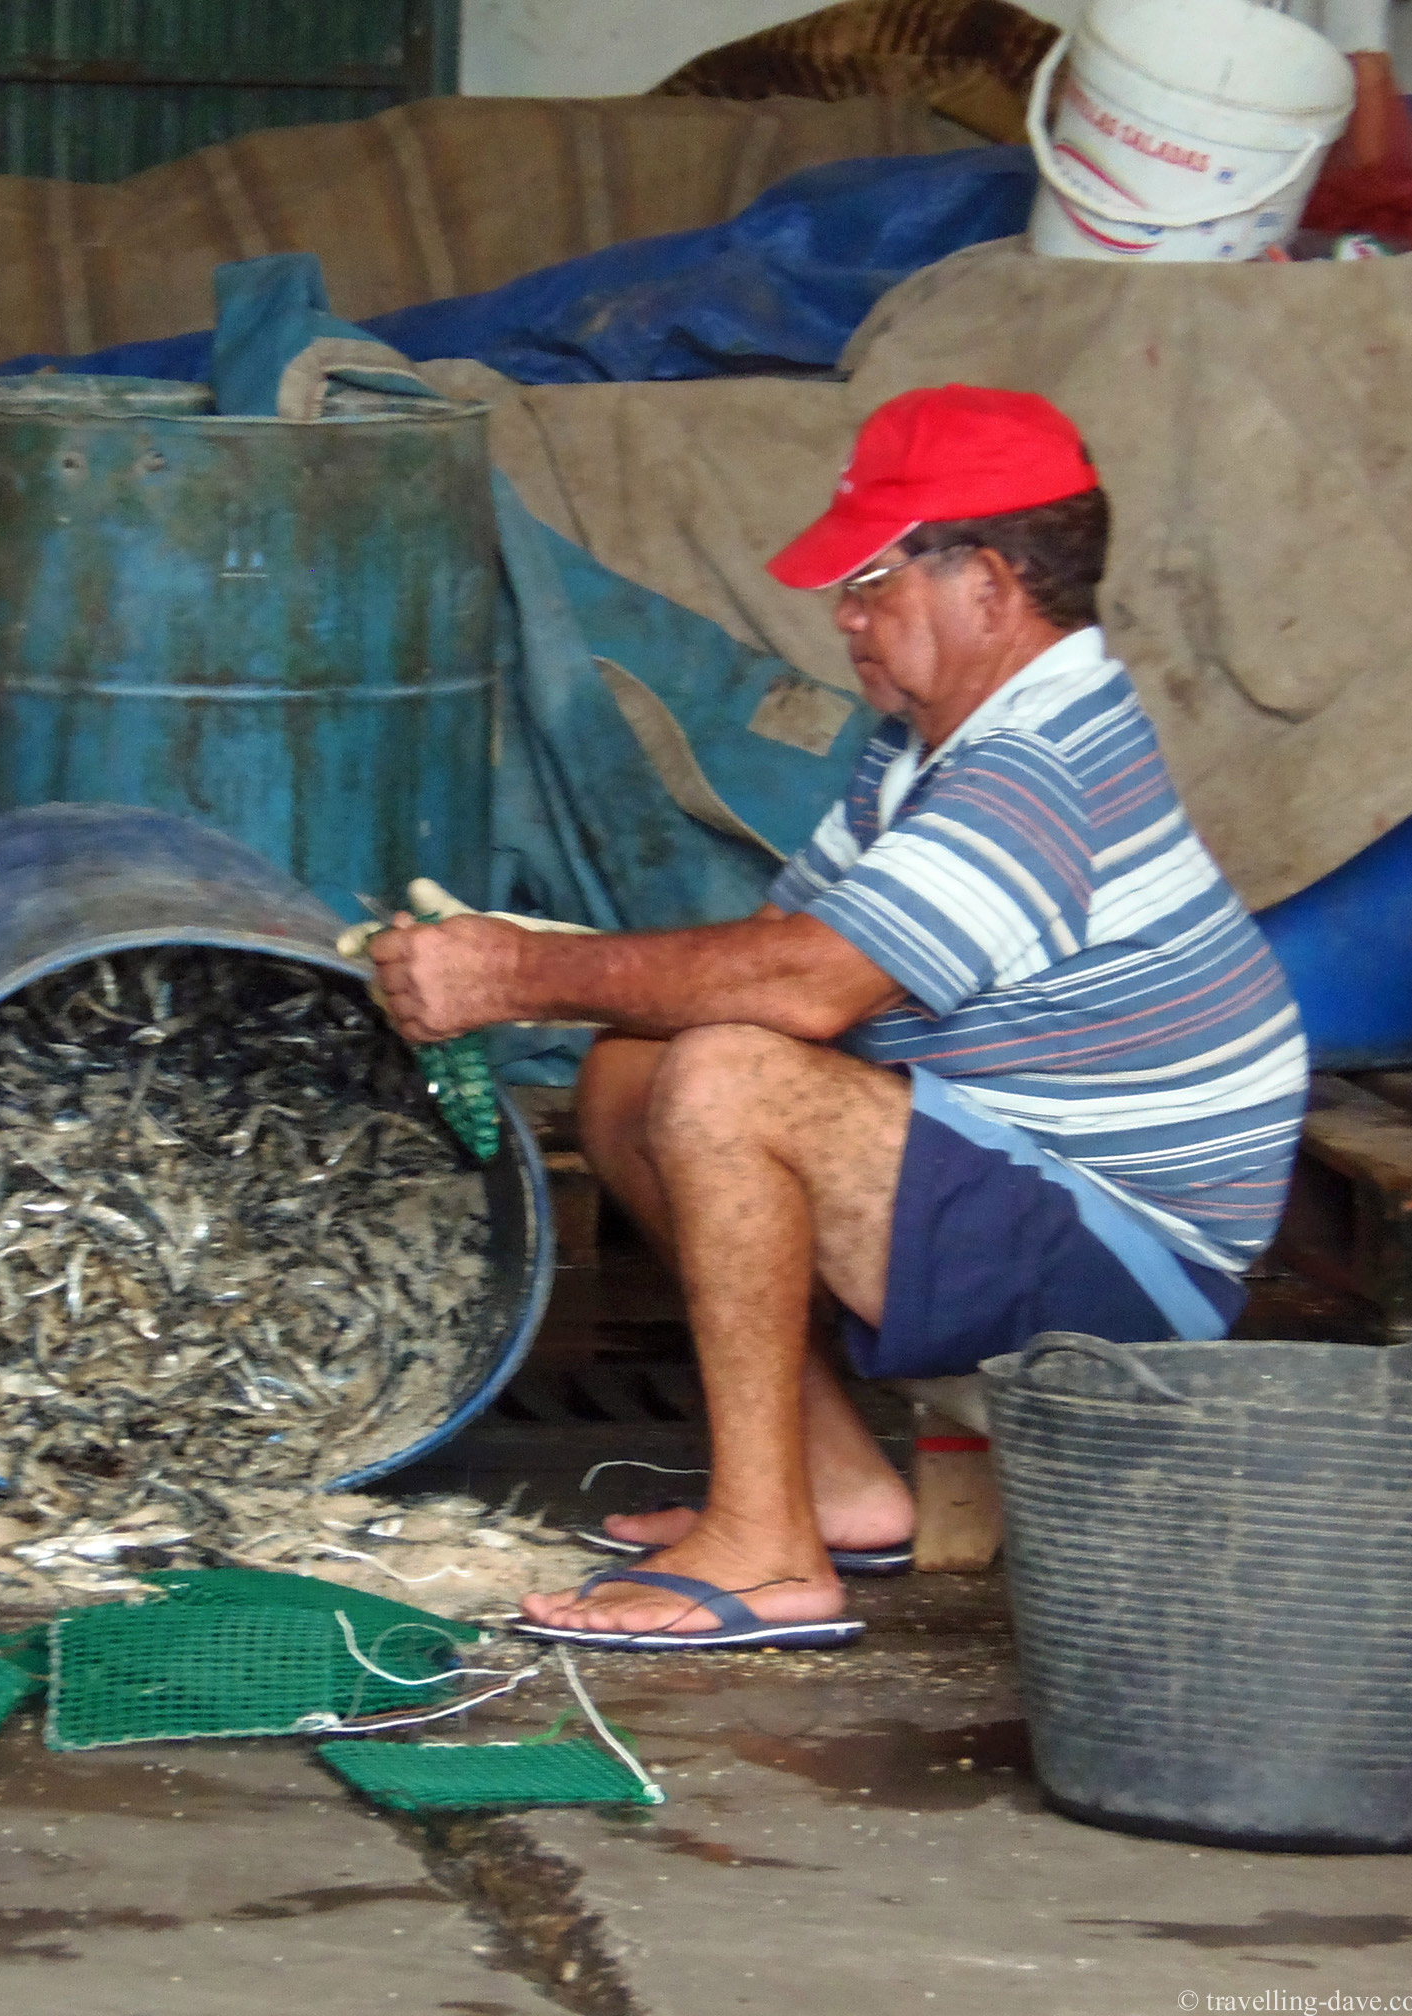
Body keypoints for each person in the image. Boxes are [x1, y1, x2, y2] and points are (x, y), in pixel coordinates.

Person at [364, 385, 1306, 1650]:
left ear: (987, 584)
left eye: (870, 583)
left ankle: (766, 1554)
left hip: (1129, 1273)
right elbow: (769, 950)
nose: (845, 617)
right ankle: (835, 1486)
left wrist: (517, 977)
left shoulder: (1040, 762)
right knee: (636, 1065)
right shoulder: (923, 747)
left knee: (729, 1079)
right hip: (1030, 1191)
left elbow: (806, 988)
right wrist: (544, 968)